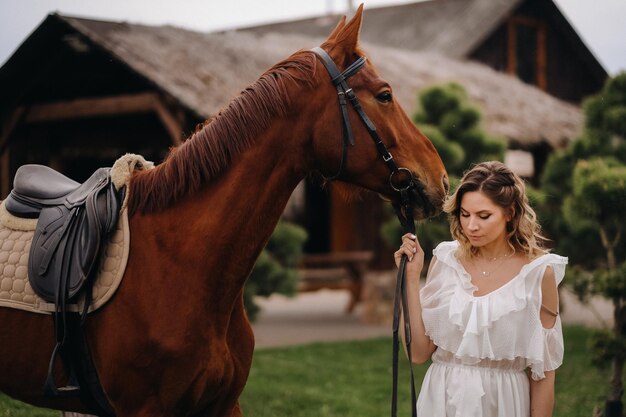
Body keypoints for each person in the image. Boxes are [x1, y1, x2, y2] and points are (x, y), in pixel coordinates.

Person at [394, 161, 567, 417]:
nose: (471, 226)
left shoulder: (539, 273)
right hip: (442, 400)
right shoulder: (446, 261)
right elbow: (418, 353)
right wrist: (409, 278)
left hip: (504, 403)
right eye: (465, 214)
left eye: (483, 216)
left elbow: (543, 373)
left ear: (510, 213)